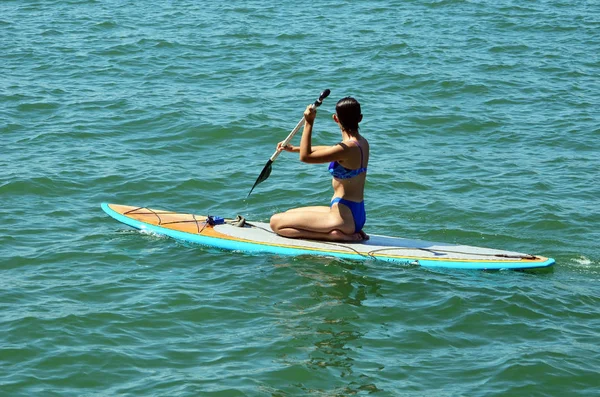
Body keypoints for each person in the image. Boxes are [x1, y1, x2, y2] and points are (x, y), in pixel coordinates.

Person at [270, 97, 369, 242]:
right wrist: (294, 149)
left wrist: (309, 123)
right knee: (288, 213)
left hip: (342, 217)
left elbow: (306, 157)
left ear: (335, 119)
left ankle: (334, 235)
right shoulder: (361, 143)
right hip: (355, 214)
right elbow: (331, 150)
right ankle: (348, 229)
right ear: (360, 118)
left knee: (276, 223)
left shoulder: (347, 148)